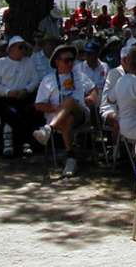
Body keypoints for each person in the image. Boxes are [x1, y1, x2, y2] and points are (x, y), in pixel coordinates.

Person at [33, 45, 98, 177]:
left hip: (81, 114)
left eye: (72, 60)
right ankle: (71, 158)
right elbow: (38, 105)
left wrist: (91, 97)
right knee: (66, 119)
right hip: (60, 117)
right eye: (66, 60)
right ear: (57, 62)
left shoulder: (79, 75)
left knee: (69, 101)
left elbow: (93, 89)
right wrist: (57, 108)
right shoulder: (48, 80)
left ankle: (48, 129)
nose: (70, 63)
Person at [0, 36, 40, 157]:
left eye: (24, 47)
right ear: (11, 49)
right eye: (20, 47)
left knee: (31, 110)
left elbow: (35, 79)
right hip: (4, 98)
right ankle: (22, 141)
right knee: (11, 113)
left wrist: (26, 90)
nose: (23, 50)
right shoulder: (0, 63)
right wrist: (7, 91)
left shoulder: (28, 62)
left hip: (23, 97)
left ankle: (22, 142)